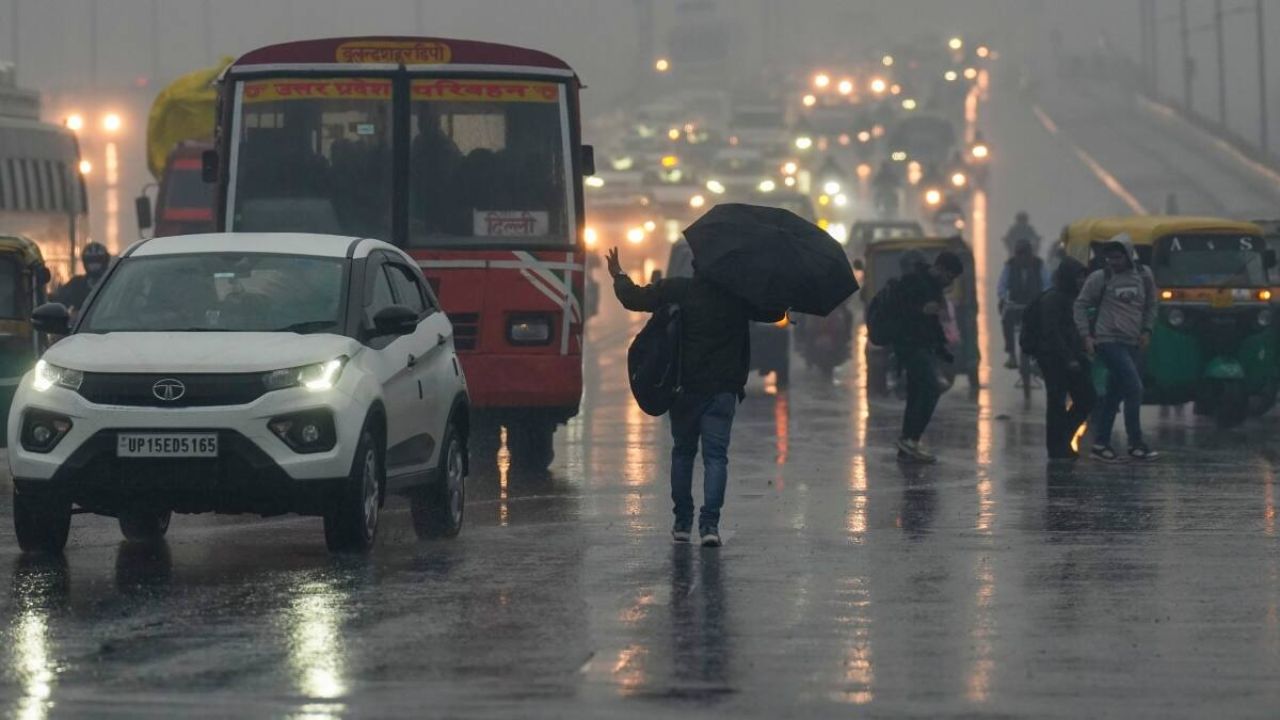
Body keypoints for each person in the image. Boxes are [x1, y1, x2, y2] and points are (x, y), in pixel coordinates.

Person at [607, 247, 784, 547]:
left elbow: (634, 298)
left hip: (685, 390)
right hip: (723, 392)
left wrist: (619, 275)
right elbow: (773, 311)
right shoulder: (737, 297)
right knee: (716, 457)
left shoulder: (679, 290)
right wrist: (778, 284)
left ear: (695, 267)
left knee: (683, 453)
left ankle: (682, 522)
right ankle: (710, 525)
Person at [1073, 234, 1160, 462]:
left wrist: (1147, 330)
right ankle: (1136, 443)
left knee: (1114, 395)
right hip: (1108, 341)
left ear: (1128, 255)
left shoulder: (1144, 275)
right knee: (1134, 388)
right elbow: (1080, 305)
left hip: (1132, 342)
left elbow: (1152, 304)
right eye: (1109, 257)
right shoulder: (1100, 278)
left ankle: (1101, 444)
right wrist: (1086, 337)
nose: (1114, 261)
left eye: (1118, 256)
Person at [893, 251, 965, 464]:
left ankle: (908, 442)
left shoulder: (933, 287)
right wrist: (921, 310)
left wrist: (942, 350)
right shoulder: (915, 282)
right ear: (941, 269)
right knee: (932, 388)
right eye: (950, 276)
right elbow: (902, 311)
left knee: (917, 391)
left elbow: (933, 324)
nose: (950, 282)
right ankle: (911, 438)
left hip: (923, 346)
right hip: (909, 345)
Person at [1033, 257, 1095, 460]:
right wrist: (1069, 358)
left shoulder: (1077, 298)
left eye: (1083, 277)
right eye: (1077, 277)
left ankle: (1061, 441)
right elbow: (1053, 333)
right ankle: (1057, 448)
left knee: (1087, 399)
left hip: (1075, 358)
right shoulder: (1053, 299)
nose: (1081, 281)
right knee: (1057, 404)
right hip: (1055, 360)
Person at [997, 238, 1051, 368]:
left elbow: (1047, 284)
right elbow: (1001, 286)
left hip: (1035, 305)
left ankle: (1039, 355)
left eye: (1025, 254)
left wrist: (1044, 298)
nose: (1022, 258)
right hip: (1015, 305)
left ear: (1030, 254)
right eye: (1019, 254)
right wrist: (1004, 298)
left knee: (1044, 324)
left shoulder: (1039, 265)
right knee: (1006, 320)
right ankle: (1011, 355)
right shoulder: (1009, 265)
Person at [52, 242, 110, 314]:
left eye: (98, 260)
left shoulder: (115, 284)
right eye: (91, 260)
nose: (94, 265)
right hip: (83, 324)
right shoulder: (76, 284)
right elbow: (58, 303)